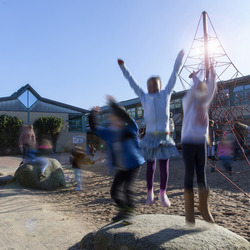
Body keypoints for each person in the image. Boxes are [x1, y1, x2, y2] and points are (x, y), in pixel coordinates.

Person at [118, 50, 184, 207]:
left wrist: (179, 58)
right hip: (149, 137)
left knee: (164, 166)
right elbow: (132, 82)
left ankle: (163, 192)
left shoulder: (166, 94)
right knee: (150, 167)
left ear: (160, 86)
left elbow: (174, 74)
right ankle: (150, 192)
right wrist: (123, 68)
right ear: (147, 87)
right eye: (149, 84)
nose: (152, 86)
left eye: (155, 83)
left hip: (164, 136)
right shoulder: (144, 96)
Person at [89, 96, 145, 225]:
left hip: (134, 165)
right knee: (114, 192)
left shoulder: (130, 128)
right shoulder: (109, 132)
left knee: (127, 189)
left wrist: (113, 105)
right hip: (121, 167)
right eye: (112, 119)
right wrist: (93, 114)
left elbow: (124, 115)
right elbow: (94, 127)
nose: (115, 121)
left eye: (117, 118)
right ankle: (122, 211)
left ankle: (130, 213)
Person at [181, 66, 216, 224]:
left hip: (201, 141)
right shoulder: (188, 102)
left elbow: (211, 86)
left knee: (202, 172)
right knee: (189, 172)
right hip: (188, 141)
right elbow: (195, 87)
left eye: (203, 88)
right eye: (199, 87)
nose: (202, 89)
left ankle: (203, 207)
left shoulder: (204, 102)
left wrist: (211, 71)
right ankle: (189, 211)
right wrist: (197, 75)